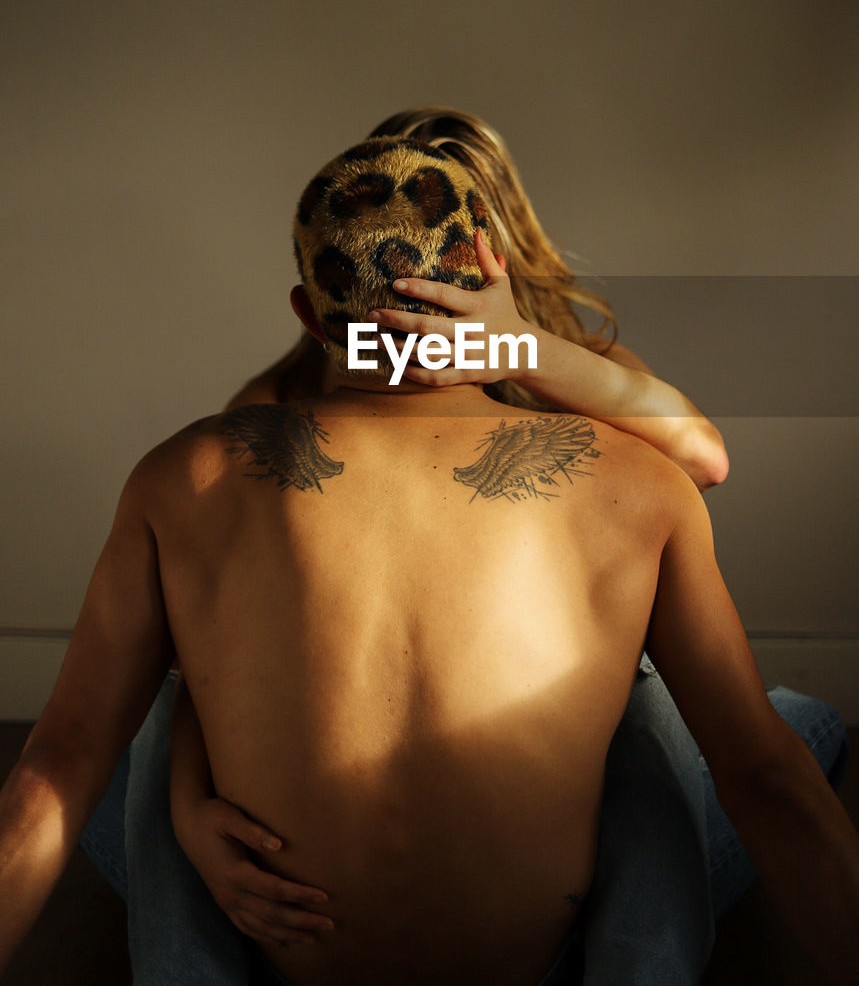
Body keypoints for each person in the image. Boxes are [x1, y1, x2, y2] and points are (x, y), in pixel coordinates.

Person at [1, 131, 856, 986]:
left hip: (289, 948)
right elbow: (760, 780)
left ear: (307, 313)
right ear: (495, 274)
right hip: (532, 948)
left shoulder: (188, 472)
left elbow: (63, 763)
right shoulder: (635, 478)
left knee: (90, 742)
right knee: (776, 728)